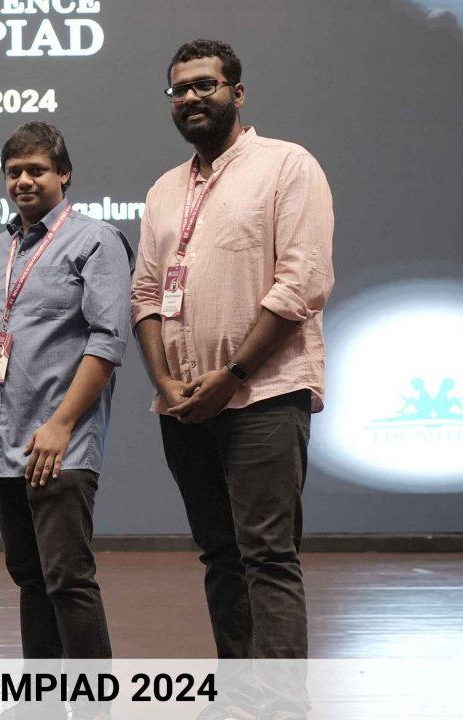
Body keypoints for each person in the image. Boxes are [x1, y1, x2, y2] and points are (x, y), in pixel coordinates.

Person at [131, 39, 334, 717]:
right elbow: (145, 295)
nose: (191, 97)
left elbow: (302, 282)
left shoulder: (287, 166)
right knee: (220, 555)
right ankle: (239, 698)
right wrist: (165, 383)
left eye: (205, 85)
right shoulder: (164, 190)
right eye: (179, 89)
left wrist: (235, 372)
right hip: (186, 406)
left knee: (267, 556)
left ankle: (279, 707)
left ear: (236, 93)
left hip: (264, 396)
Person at [0, 121, 131, 677]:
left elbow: (107, 342)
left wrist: (62, 424)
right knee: (29, 578)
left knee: (67, 579)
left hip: (60, 443)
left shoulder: (96, 240)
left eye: (36, 170)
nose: (23, 180)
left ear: (64, 174)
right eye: (13, 171)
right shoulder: (0, 247)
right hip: (6, 441)